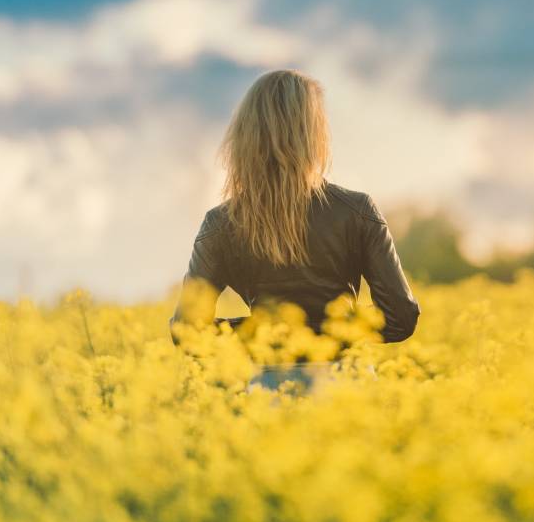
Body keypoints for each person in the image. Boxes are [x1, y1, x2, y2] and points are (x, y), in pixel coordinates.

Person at [169, 69, 420, 354]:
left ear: (246, 135)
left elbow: (186, 330)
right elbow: (400, 319)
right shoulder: (357, 211)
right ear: (314, 134)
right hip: (346, 384)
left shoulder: (221, 223)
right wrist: (332, 330)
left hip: (265, 386)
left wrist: (264, 331)